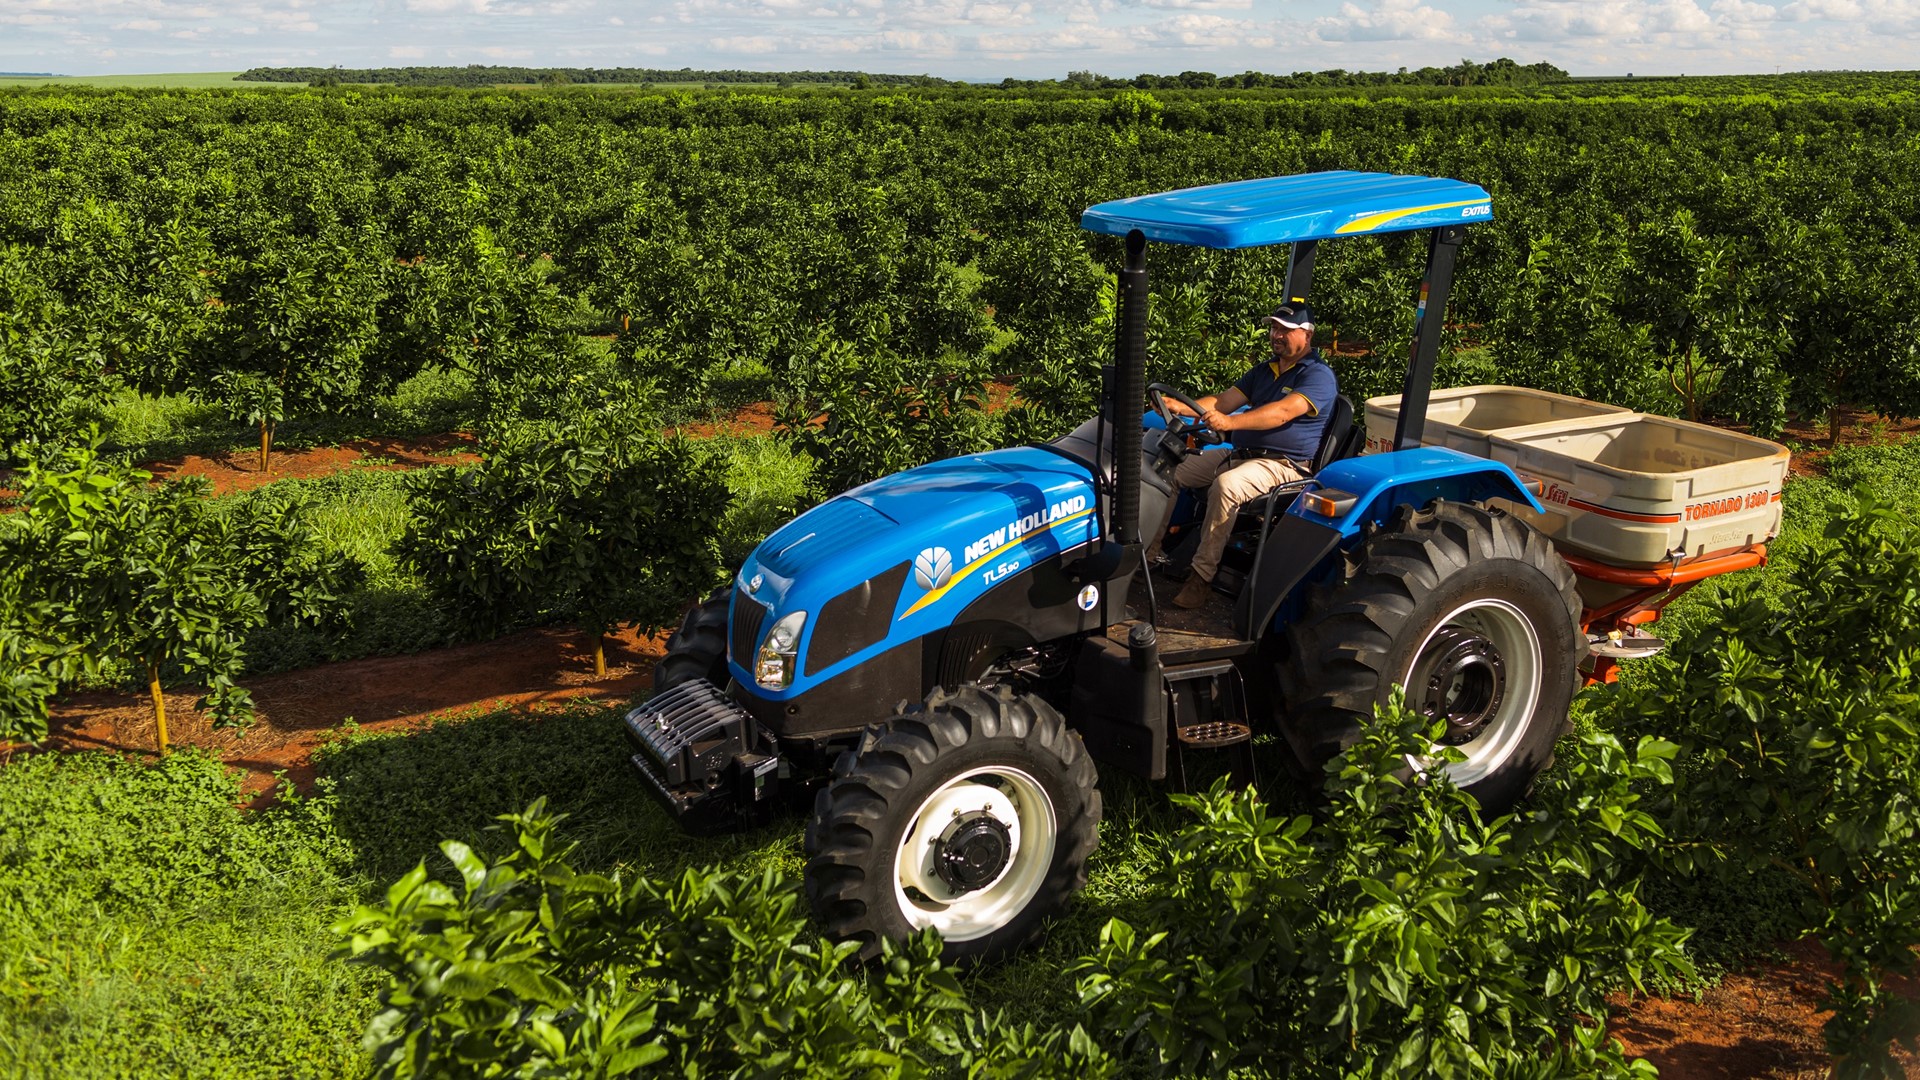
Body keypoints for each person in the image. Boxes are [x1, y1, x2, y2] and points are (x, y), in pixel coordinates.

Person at [1149, 302, 1339, 609]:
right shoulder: (1264, 371)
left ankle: (1201, 579)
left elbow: (1282, 412)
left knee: (1227, 485)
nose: (1277, 336)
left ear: (1307, 335)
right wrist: (1179, 406)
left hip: (1284, 466)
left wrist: (1231, 422)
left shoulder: (1318, 376)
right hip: (1241, 455)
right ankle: (1148, 554)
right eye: (1274, 329)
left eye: (1285, 330)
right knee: (1168, 467)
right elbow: (1223, 401)